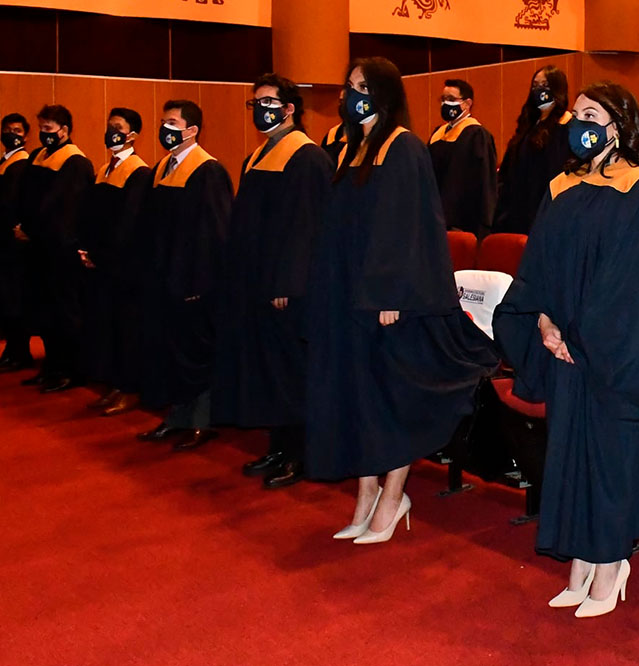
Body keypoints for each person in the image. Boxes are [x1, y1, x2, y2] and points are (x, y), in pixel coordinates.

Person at [494, 81, 639, 619]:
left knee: (606, 457)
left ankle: (610, 562)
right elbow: (541, 267)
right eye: (575, 113)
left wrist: (581, 337)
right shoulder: (560, 187)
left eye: (592, 113)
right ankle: (580, 558)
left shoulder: (638, 192)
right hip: (564, 346)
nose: (578, 121)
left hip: (608, 353)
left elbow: (630, 284)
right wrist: (546, 323)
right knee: (567, 454)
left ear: (618, 125)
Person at [307, 57, 498, 543]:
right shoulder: (351, 148)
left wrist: (393, 292)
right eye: (349, 85)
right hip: (349, 294)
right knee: (361, 399)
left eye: (361, 86)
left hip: (388, 299)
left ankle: (393, 496)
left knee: (389, 400)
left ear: (384, 94)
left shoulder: (404, 146)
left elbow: (410, 228)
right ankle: (365, 496)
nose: (351, 94)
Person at [213, 74, 333, 488]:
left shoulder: (306, 156)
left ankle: (301, 453)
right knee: (268, 371)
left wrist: (288, 283)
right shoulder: (259, 154)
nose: (260, 108)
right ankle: (278, 446)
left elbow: (306, 228)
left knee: (291, 373)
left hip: (288, 291)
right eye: (255, 102)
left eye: (268, 101)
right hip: (255, 285)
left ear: (289, 108)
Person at [135, 100, 234, 450]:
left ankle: (202, 421)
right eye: (163, 121)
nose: (166, 128)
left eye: (173, 122)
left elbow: (214, 233)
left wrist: (199, 282)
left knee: (197, 351)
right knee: (170, 349)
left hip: (192, 283)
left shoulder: (207, 170)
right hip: (162, 279)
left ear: (192, 129)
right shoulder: (163, 167)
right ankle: (176, 416)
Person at [77, 107, 151, 416]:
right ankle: (114, 384)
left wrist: (104, 256)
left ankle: (130, 388)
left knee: (127, 329)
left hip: (124, 267)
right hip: (102, 265)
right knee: (107, 326)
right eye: (109, 126)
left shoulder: (139, 172)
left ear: (133, 133)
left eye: (118, 127)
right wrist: (87, 250)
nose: (112, 132)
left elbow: (129, 223)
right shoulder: (104, 169)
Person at [17, 104, 94, 393]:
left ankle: (71, 370)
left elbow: (64, 208)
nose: (43, 134)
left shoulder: (75, 162)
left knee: (65, 312)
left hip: (60, 250)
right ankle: (50, 366)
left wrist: (35, 229)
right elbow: (25, 195)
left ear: (64, 130)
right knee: (44, 310)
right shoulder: (39, 156)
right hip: (37, 247)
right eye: (41, 128)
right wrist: (22, 226)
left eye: (49, 129)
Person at [493, 66, 572, 234]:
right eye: (535, 85)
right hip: (518, 210)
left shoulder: (565, 125)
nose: (539, 90)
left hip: (545, 209)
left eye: (545, 85)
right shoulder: (528, 125)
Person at [428, 78, 498, 238]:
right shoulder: (438, 134)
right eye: (443, 99)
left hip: (463, 223)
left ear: (467, 103)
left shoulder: (476, 135)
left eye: (451, 99)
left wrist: (483, 224)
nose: (446, 104)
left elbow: (485, 183)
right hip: (436, 219)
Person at [0, 113, 32, 372]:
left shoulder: (22, 163)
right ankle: (12, 349)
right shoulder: (5, 161)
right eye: (8, 129)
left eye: (17, 130)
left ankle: (19, 351)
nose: (12, 134)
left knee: (15, 298)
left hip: (14, 242)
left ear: (26, 135)